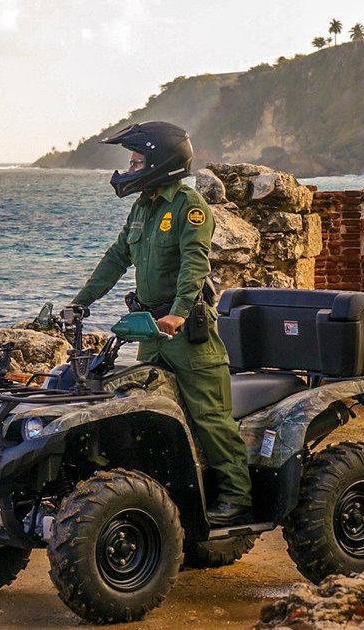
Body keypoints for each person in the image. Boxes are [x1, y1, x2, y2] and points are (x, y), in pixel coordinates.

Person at [70, 121, 252, 526]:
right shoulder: (143, 208)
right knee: (145, 412)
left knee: (209, 414)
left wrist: (179, 312)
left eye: (137, 161)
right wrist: (79, 303)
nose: (130, 169)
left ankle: (238, 497)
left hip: (187, 332)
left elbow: (194, 264)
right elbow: (117, 258)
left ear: (160, 163)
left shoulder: (189, 207)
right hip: (150, 332)